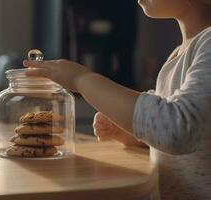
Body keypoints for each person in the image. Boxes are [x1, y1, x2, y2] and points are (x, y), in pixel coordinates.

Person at [23, 0, 211, 199]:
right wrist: (131, 134)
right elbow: (190, 135)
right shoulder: (180, 53)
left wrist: (82, 79)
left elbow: (178, 130)